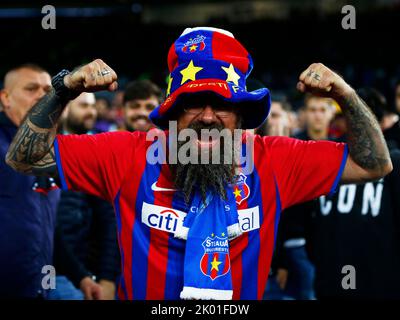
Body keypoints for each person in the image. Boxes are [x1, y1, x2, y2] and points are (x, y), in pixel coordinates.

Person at [6, 27, 392, 300]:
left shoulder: (274, 160)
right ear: (172, 114)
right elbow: (24, 157)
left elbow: (372, 164)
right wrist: (63, 88)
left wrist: (344, 92)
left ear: (241, 115)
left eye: (222, 103)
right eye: (193, 103)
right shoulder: (127, 154)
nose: (208, 116)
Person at [309, 87, 400, 299]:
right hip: (331, 281)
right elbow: (309, 223)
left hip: (380, 284)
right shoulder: (325, 155)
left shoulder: (394, 163)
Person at [48, 93, 120, 300]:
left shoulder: (100, 150)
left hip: (82, 275)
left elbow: (109, 220)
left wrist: (105, 277)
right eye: (83, 106)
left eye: (92, 106)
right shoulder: (41, 153)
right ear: (65, 109)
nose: (90, 111)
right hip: (50, 270)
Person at [0, 64, 60, 298]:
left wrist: (82, 276)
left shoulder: (52, 151)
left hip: (39, 288)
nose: (41, 97)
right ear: (5, 98)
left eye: (47, 91)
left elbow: (50, 225)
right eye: (31, 88)